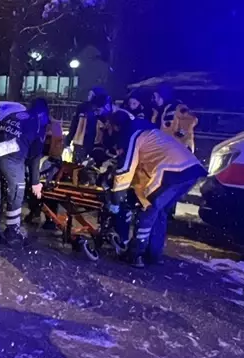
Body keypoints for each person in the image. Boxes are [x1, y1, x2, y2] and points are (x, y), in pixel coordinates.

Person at [108, 109, 205, 268]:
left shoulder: (132, 134)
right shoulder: (148, 131)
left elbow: (126, 168)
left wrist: (117, 195)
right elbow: (142, 168)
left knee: (148, 210)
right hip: (190, 171)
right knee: (160, 212)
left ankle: (135, 254)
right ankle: (153, 254)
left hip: (172, 173)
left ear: (117, 127)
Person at [0, 98, 50, 246]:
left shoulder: (12, 115)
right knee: (15, 195)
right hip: (13, 160)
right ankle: (12, 234)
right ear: (43, 113)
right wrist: (35, 182)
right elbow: (34, 157)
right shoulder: (38, 124)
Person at [69, 87, 111, 164]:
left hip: (96, 145)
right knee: (78, 165)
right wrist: (68, 139)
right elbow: (74, 125)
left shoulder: (104, 111)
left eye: (90, 95)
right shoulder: (83, 108)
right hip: (82, 143)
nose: (88, 97)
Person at [150, 85, 198, 153]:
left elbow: (192, 119)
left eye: (156, 97)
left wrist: (181, 134)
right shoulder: (163, 110)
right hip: (170, 148)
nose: (154, 100)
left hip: (179, 148)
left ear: (162, 97)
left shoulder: (176, 106)